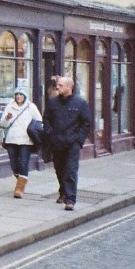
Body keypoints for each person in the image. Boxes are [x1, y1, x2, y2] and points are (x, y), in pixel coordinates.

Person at [42, 76, 92, 211]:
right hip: (56, 142)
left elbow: (86, 123)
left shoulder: (80, 103)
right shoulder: (52, 102)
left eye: (61, 85)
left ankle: (70, 199)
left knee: (70, 170)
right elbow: (46, 119)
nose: (57, 87)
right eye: (58, 85)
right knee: (59, 170)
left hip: (72, 143)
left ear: (69, 87)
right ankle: (63, 192)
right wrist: (50, 134)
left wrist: (78, 141)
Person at [0, 85, 43, 198]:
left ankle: (19, 189)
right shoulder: (10, 106)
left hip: (25, 140)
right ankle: (22, 179)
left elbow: (39, 121)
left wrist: (33, 130)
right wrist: (6, 118)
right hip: (11, 140)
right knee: (14, 164)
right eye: (17, 94)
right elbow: (2, 125)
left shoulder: (31, 107)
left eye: (21, 94)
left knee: (23, 163)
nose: (18, 96)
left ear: (25, 96)